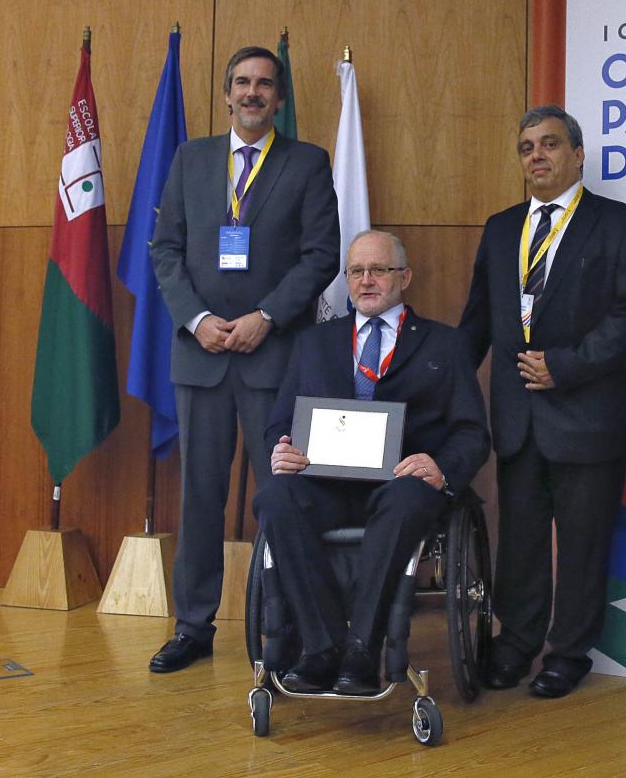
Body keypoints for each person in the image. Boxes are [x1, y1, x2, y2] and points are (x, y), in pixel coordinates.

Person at [147, 45, 340, 673]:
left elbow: (321, 256)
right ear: (227, 94)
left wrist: (267, 317)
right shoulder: (191, 158)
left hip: (273, 354)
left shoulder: (307, 163)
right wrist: (199, 320)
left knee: (282, 496)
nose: (252, 93)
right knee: (199, 497)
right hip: (200, 356)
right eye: (241, 83)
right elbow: (166, 249)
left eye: (264, 84)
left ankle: (286, 627)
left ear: (279, 99)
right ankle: (193, 627)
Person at [459, 105, 626, 698]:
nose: (536, 156)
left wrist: (566, 366)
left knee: (582, 542)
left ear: (577, 154)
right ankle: (515, 644)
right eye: (526, 147)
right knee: (519, 543)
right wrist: (436, 387)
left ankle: (569, 653)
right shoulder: (501, 229)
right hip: (518, 418)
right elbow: (476, 322)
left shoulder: (621, 224)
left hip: (588, 413)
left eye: (549, 144)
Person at [254, 230, 490, 694]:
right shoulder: (313, 343)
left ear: (404, 276)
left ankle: (362, 649)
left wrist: (440, 468)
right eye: (356, 271)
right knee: (276, 498)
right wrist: (280, 447)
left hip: (401, 486)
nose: (366, 281)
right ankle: (322, 648)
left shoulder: (445, 345)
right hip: (322, 484)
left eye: (378, 270)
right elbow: (278, 421)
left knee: (406, 501)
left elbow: (472, 432)